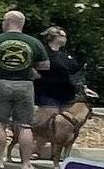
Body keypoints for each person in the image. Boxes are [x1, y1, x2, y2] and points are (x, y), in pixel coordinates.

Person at [0, 7, 49, 169]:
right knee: (25, 125)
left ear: (7, 22)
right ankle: (26, 164)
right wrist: (30, 67)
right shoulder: (33, 42)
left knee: (0, 123)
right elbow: (45, 65)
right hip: (25, 85)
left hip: (0, 83)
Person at [35, 26, 87, 161]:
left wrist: (81, 86)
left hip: (67, 94)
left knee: (65, 124)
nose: (65, 39)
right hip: (47, 92)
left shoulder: (66, 56)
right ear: (53, 37)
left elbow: (75, 71)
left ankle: (57, 153)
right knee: (46, 123)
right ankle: (37, 149)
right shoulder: (44, 53)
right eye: (62, 36)